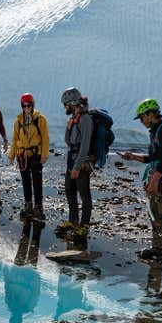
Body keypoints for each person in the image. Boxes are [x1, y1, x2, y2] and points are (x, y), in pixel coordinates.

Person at [120, 98, 162, 267]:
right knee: (154, 213)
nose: (141, 121)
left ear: (150, 113)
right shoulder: (156, 130)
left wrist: (155, 180)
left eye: (141, 117)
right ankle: (158, 248)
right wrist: (133, 157)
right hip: (157, 176)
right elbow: (154, 157)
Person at [8, 93, 49, 219]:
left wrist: (44, 155)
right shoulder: (18, 121)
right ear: (22, 106)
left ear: (32, 105)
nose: (27, 108)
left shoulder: (40, 119)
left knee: (37, 181)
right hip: (22, 155)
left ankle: (38, 207)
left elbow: (45, 138)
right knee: (25, 181)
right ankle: (28, 205)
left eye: (29, 105)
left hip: (35, 154)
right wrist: (12, 154)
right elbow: (15, 139)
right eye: (24, 106)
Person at [63, 87, 94, 240]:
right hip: (72, 159)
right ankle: (73, 221)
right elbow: (68, 142)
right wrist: (68, 129)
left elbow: (85, 146)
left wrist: (76, 167)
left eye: (65, 104)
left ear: (72, 103)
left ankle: (84, 227)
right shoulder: (74, 118)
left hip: (81, 163)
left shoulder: (85, 119)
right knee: (69, 190)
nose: (64, 107)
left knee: (84, 194)